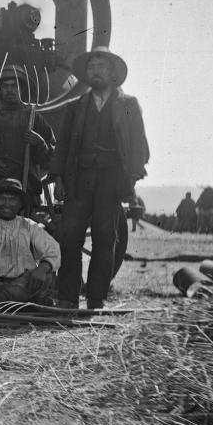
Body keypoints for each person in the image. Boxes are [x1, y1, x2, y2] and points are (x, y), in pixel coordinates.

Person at [49, 47, 150, 309]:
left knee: (106, 238)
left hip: (111, 181)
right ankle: (67, 298)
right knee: (70, 236)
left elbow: (139, 144)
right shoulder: (76, 106)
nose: (96, 71)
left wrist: (132, 178)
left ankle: (96, 298)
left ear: (113, 72)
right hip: (78, 179)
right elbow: (61, 147)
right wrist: (58, 177)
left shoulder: (128, 105)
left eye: (101, 66)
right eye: (92, 67)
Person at [0, 178, 61, 310]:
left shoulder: (30, 226)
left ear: (20, 204)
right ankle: (18, 304)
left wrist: (42, 269)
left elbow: (53, 250)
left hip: (22, 283)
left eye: (12, 199)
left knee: (44, 277)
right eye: (2, 198)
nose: (7, 204)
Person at [0, 64, 55, 217]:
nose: (10, 90)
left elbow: (50, 154)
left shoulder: (32, 116)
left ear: (22, 89)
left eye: (15, 86)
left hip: (24, 184)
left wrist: (40, 143)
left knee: (21, 231)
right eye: (5, 86)